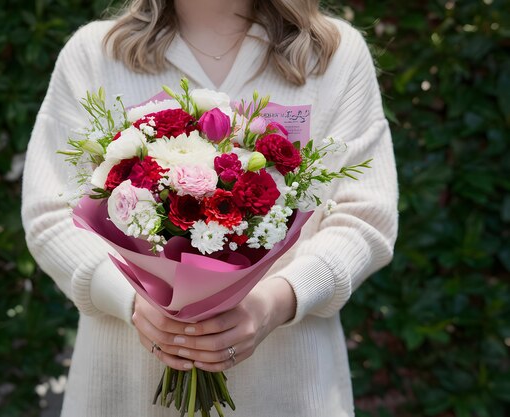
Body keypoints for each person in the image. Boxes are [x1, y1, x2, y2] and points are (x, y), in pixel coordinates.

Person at [21, 0, 399, 415]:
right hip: (126, 388)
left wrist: (276, 303)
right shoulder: (95, 54)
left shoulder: (333, 55)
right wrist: (130, 302)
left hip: (288, 389)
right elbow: (51, 212)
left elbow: (365, 217)